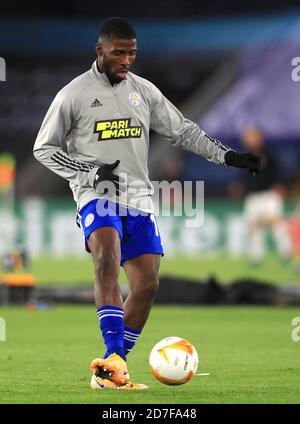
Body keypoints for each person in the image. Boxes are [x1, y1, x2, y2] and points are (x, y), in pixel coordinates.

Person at [33, 18, 260, 390]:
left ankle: (114, 364)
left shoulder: (144, 91)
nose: (126, 60)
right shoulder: (72, 95)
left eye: (132, 53)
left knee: (147, 285)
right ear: (100, 50)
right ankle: (112, 351)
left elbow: (183, 129)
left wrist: (228, 156)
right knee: (106, 258)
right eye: (119, 52)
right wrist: (89, 174)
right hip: (96, 196)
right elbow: (44, 148)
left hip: (139, 198)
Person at [237, 127, 291, 264]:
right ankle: (256, 256)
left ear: (259, 137)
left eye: (251, 136)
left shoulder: (268, 153)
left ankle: (285, 252)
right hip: (253, 196)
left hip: (269, 194)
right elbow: (244, 176)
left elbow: (277, 171)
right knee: (254, 227)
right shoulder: (244, 155)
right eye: (246, 137)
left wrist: (278, 184)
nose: (248, 139)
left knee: (275, 223)